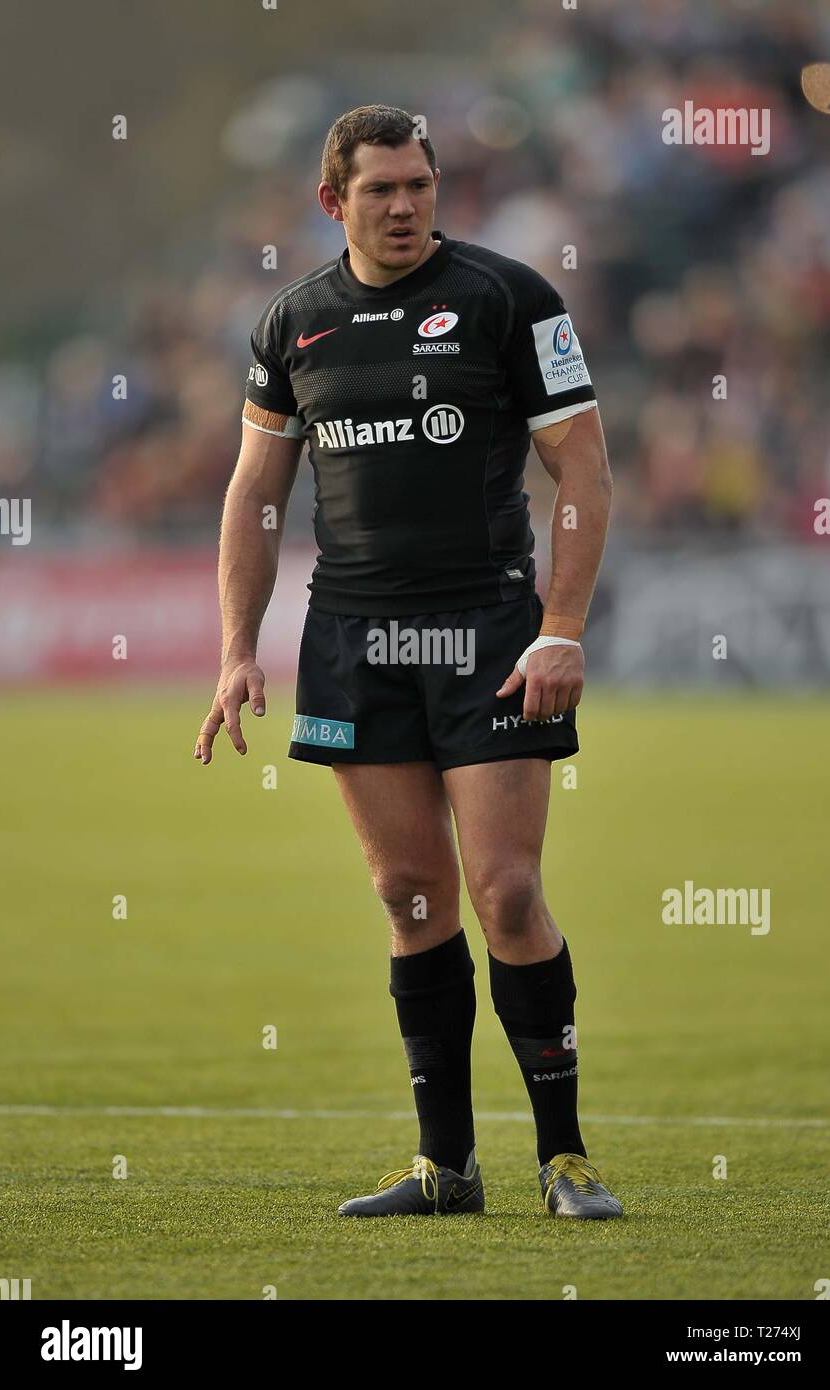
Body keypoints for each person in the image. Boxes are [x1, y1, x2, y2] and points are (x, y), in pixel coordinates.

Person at [195, 105, 621, 1220]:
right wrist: (237, 648)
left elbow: (581, 471)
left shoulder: (506, 299)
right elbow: (255, 494)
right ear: (330, 200)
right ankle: (446, 1167)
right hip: (354, 638)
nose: (403, 207)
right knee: (407, 891)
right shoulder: (292, 324)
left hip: (486, 629)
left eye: (419, 186)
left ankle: (565, 1159)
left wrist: (560, 625)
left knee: (508, 890)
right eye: (379, 189)